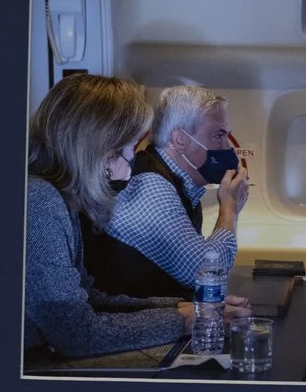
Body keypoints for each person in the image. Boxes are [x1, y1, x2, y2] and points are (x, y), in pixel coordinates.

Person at [25, 74, 204, 362]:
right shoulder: (40, 205)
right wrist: (183, 321)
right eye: (128, 149)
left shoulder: (60, 201)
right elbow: (78, 334)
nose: (131, 166)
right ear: (95, 150)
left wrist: (185, 307)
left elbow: (89, 299)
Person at [85, 81, 248, 298]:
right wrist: (230, 208)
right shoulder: (151, 188)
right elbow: (201, 273)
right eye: (218, 136)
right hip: (133, 325)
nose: (227, 148)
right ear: (180, 140)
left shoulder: (181, 187)